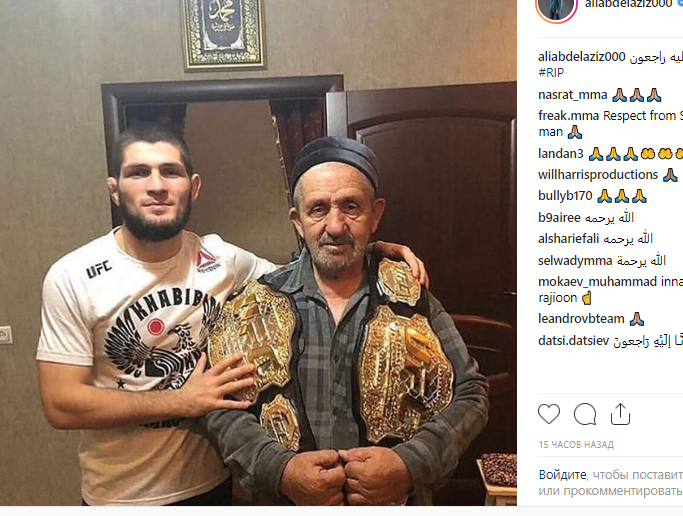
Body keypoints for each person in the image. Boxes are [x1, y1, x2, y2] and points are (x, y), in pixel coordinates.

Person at [36, 125, 427, 506]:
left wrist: (368, 251)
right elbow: (61, 404)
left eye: (170, 171)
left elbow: (307, 273)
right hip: (120, 496)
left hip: (213, 485)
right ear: (114, 189)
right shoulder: (73, 276)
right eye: (138, 172)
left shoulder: (222, 259)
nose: (156, 185)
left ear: (193, 187)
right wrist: (181, 401)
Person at [198, 137, 489, 505]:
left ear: (376, 215)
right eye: (318, 209)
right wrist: (279, 470)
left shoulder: (414, 298)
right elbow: (220, 406)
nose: (335, 226)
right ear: (298, 221)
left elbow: (471, 392)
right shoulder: (254, 304)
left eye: (351, 207)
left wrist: (409, 464)